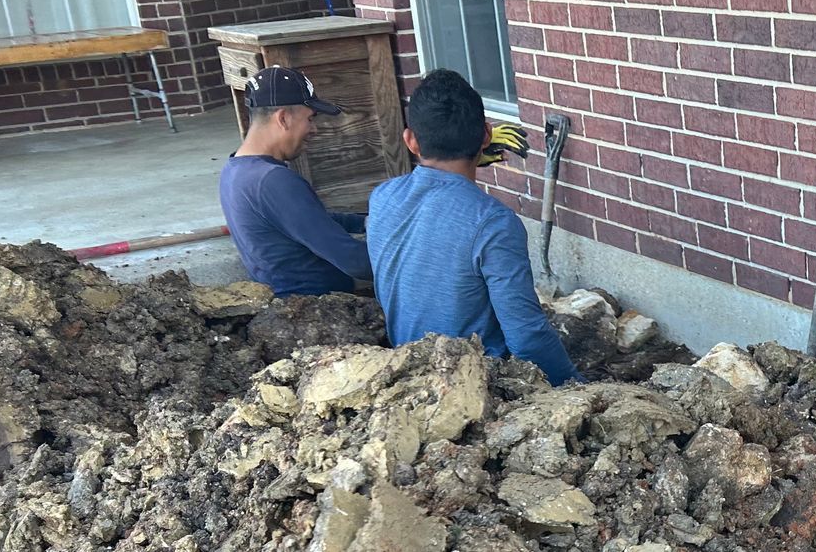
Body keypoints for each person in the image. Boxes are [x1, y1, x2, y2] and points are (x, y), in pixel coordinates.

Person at [365, 69, 577, 386]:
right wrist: (576, 385)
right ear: (487, 136)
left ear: (410, 141)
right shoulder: (493, 223)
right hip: (475, 388)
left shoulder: (382, 197)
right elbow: (527, 338)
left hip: (405, 376)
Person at [218, 67, 373, 297]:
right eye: (310, 119)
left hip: (287, 309)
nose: (314, 129)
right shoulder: (274, 181)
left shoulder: (234, 170)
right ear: (283, 118)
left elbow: (308, 220)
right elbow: (356, 262)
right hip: (317, 311)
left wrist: (364, 222)